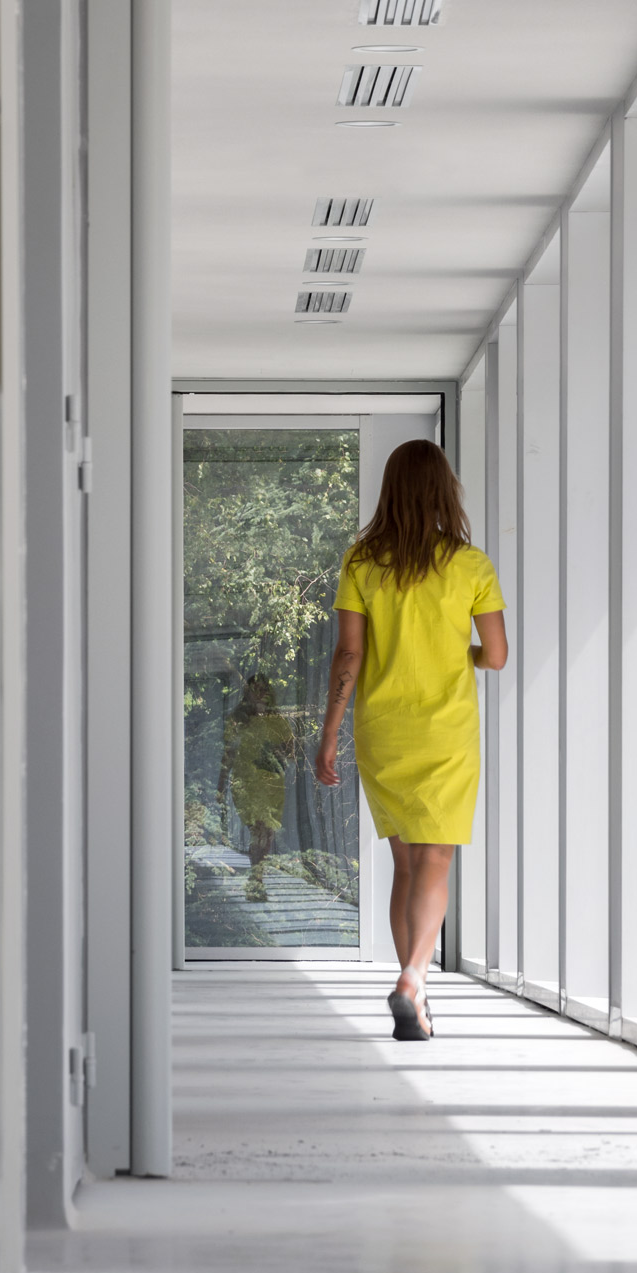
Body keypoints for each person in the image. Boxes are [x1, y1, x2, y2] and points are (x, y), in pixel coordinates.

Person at [315, 440, 506, 1040]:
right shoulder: (470, 564)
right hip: (445, 731)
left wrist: (329, 734)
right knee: (435, 858)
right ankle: (413, 980)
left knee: (404, 863)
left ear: (391, 488)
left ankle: (413, 996)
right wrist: (463, 651)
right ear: (445, 489)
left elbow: (350, 652)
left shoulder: (362, 562)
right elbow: (496, 657)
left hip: (383, 731)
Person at [217, 675, 292, 901]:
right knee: (256, 829)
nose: (260, 693)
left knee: (266, 831)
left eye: (264, 688)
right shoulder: (237, 720)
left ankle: (257, 880)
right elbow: (228, 754)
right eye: (255, 689)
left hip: (272, 783)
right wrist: (220, 785)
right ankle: (255, 880)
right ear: (247, 692)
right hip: (246, 781)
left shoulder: (278, 720)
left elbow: (290, 752)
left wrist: (280, 754)